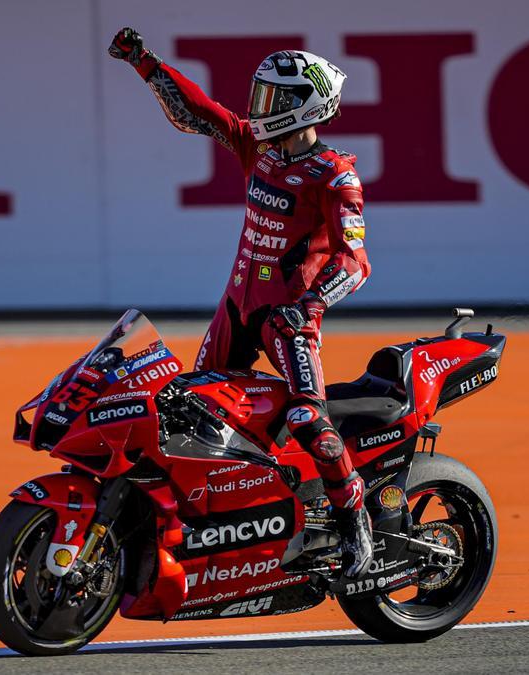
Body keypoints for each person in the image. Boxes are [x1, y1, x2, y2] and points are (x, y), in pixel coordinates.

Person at [109, 28, 373, 577]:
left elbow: (356, 263)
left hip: (288, 316)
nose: (260, 110)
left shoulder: (335, 174)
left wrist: (309, 304)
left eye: (273, 100)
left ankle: (355, 522)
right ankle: (228, 521)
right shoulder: (258, 145)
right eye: (260, 97)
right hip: (236, 306)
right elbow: (199, 113)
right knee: (190, 408)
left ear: (307, 105)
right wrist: (145, 64)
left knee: (307, 416)